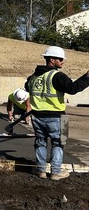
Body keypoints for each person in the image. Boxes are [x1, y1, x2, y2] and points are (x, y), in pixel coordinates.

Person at [25, 46, 89, 180]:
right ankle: (55, 171)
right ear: (52, 59)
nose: (62, 62)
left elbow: (27, 87)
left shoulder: (33, 77)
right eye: (60, 59)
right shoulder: (57, 76)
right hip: (57, 116)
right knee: (59, 143)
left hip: (37, 116)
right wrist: (87, 77)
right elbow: (72, 88)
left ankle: (41, 170)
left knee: (40, 142)